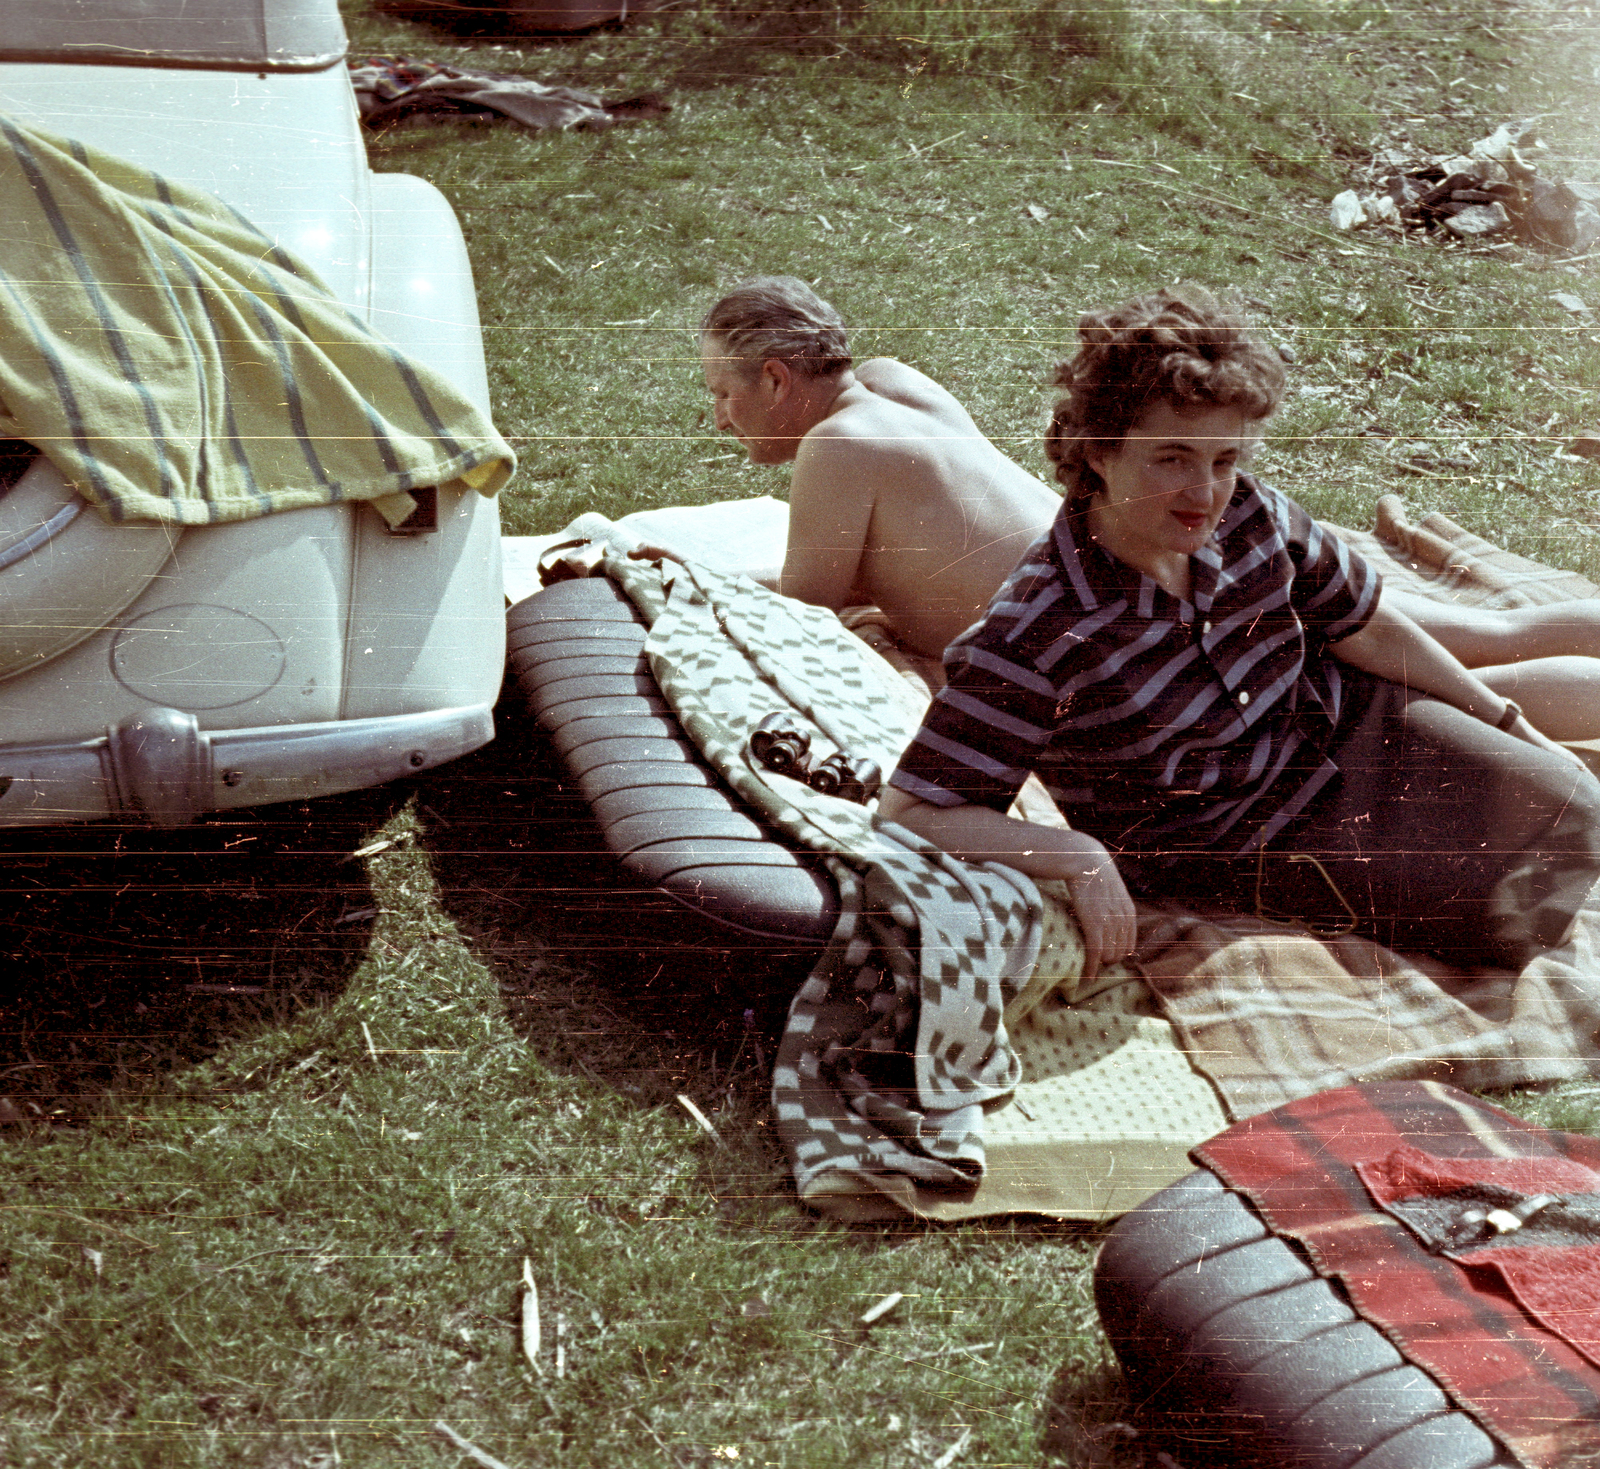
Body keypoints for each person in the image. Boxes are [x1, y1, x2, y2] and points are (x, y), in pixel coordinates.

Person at [877, 286, 1600, 981]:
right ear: (1099, 450)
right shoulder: (1039, 628)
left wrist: (1510, 722)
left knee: (1575, 807)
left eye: (1223, 460)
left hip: (1351, 727)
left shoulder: (1252, 512)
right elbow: (913, 811)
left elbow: (1367, 625)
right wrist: (1078, 854)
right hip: (1262, 845)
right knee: (1509, 910)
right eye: (1172, 458)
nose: (1205, 493)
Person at [698, 276, 1059, 660]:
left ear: (775, 379)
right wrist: (707, 578)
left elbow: (799, 613)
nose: (720, 419)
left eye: (723, 394)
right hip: (1108, 599)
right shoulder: (893, 381)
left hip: (1077, 659)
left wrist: (694, 584)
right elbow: (830, 579)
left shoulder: (839, 442)